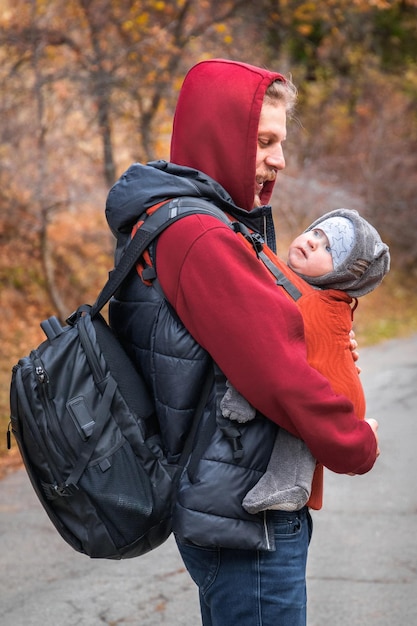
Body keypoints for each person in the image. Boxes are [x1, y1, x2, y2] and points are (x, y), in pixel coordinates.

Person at [106, 59, 380, 626]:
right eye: (263, 141)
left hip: (226, 501)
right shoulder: (201, 235)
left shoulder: (176, 218)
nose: (278, 159)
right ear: (220, 135)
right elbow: (276, 373)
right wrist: (355, 443)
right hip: (246, 517)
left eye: (280, 143)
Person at [221, 208, 390, 514]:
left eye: (329, 250)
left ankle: (289, 483)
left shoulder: (317, 303)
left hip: (335, 396)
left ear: (344, 275)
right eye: (316, 233)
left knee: (298, 422)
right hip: (329, 388)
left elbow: (272, 350)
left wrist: (240, 393)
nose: (313, 243)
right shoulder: (302, 290)